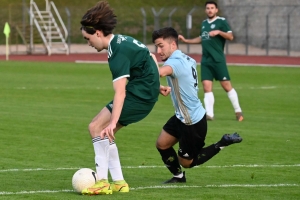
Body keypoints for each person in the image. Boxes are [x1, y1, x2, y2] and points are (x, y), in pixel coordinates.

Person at [80, 1, 163, 195]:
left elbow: (120, 92)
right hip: (144, 93)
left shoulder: (116, 53)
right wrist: (156, 85)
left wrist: (113, 122)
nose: (88, 43)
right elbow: (150, 56)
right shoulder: (122, 40)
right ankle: (119, 182)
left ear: (98, 33)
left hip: (138, 96)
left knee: (97, 128)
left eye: (88, 38)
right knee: (102, 131)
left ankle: (102, 181)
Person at [152, 27, 242, 183]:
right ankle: (178, 177)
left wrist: (150, 60)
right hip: (182, 115)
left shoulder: (175, 62)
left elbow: (160, 72)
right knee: (162, 144)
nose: (158, 50)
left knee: (187, 162)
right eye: (156, 46)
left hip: (192, 122)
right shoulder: (186, 58)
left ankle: (222, 143)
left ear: (173, 45)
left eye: (161, 46)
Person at [178, 1, 243, 121]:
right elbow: (202, 38)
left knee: (226, 86)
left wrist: (219, 32)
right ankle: (209, 114)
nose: (210, 10)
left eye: (212, 8)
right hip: (206, 61)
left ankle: (238, 111)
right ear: (205, 10)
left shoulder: (221, 22)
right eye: (208, 8)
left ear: (216, 10)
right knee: (207, 87)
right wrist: (186, 41)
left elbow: (230, 36)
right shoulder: (204, 24)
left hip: (218, 60)